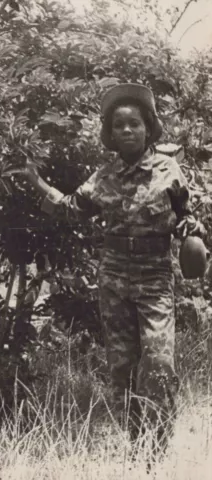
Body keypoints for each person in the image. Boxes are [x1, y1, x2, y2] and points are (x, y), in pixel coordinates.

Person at [18, 84, 205, 462]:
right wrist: (37, 183)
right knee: (122, 367)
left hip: (154, 277)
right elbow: (72, 208)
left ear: (148, 128)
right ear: (110, 133)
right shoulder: (103, 177)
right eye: (118, 125)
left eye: (134, 123)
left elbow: (189, 216)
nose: (127, 130)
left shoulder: (169, 170)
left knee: (158, 363)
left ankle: (157, 449)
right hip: (115, 277)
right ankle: (137, 447)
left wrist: (191, 234)